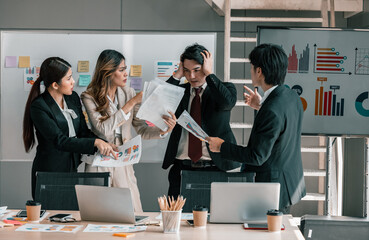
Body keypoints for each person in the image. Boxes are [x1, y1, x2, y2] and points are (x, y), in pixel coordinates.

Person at [207, 44, 306, 213]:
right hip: (288, 181)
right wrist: (261, 105)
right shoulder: (291, 96)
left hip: (272, 189)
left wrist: (221, 146)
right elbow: (281, 125)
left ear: (259, 71)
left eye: (252, 68)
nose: (251, 71)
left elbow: (257, 155)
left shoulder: (271, 109)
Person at [81, 49, 176, 212]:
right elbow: (103, 130)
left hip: (124, 159)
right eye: (121, 69)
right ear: (108, 72)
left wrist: (163, 130)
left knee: (132, 210)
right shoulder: (89, 96)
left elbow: (142, 129)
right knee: (98, 211)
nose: (127, 73)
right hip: (99, 160)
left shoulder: (128, 92)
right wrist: (131, 103)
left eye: (126, 68)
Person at [23, 57, 116, 199]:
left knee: (69, 216)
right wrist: (95, 143)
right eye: (69, 78)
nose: (73, 82)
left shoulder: (72, 98)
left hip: (72, 168)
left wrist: (103, 142)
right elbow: (60, 141)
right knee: (49, 216)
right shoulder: (39, 106)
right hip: (49, 171)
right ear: (55, 84)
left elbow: (83, 132)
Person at [162, 43, 242, 198]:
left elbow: (227, 103)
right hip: (181, 168)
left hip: (215, 167)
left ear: (205, 67)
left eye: (196, 70)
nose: (191, 76)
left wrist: (209, 74)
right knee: (176, 219)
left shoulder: (224, 89)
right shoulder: (180, 91)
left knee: (215, 219)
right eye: (187, 70)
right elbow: (160, 101)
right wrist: (177, 75)